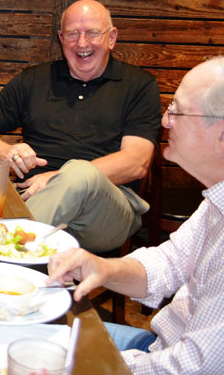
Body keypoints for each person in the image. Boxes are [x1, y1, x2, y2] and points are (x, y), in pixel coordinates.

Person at [47, 57, 224, 374]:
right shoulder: (216, 201)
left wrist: (93, 366)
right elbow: (169, 262)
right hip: (158, 346)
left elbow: (194, 368)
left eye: (177, 111)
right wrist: (101, 267)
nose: (166, 121)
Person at [0, 0, 162, 252]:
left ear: (111, 38)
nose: (82, 43)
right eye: (72, 34)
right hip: (33, 198)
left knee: (80, 173)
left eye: (92, 33)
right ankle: (15, 248)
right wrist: (5, 151)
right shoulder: (35, 80)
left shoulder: (139, 85)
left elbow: (136, 162)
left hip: (105, 212)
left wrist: (59, 179)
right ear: (61, 38)